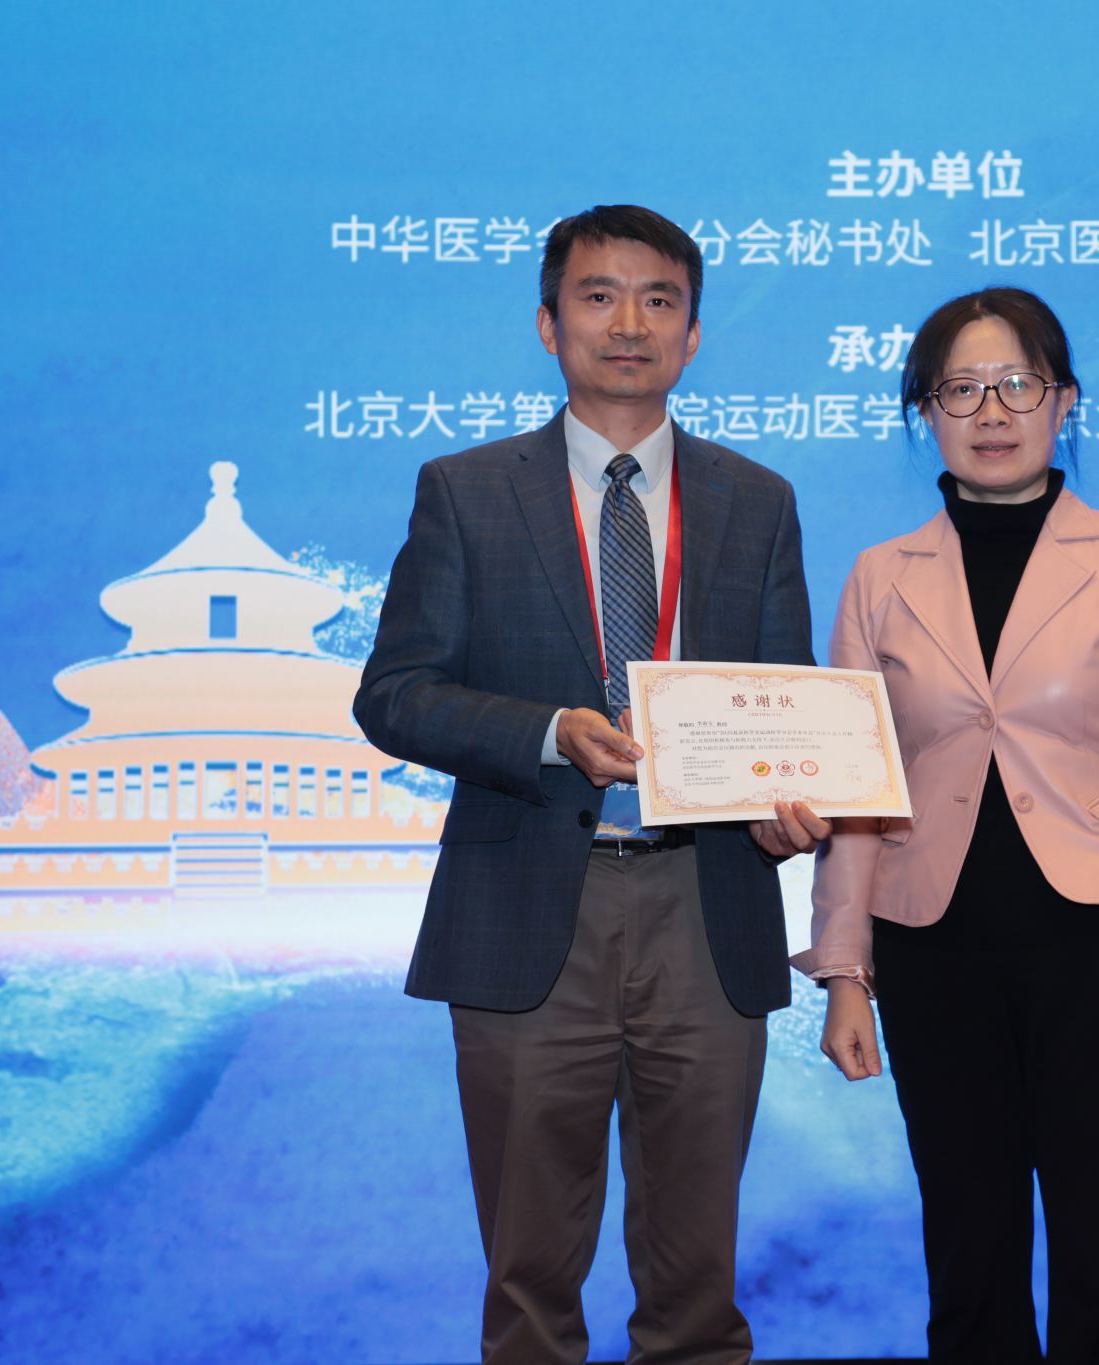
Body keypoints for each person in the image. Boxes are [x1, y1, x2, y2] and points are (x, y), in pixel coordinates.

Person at [355, 204, 829, 1365]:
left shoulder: (756, 501)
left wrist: (786, 812)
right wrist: (548, 733)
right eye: (598, 296)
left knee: (696, 1281)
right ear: (548, 323)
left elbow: (783, 702)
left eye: (658, 300)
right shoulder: (466, 491)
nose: (629, 324)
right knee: (528, 1278)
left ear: (693, 334)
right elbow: (395, 694)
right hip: (527, 906)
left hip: (705, 906)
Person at [793, 286, 1099, 1363]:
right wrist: (844, 972)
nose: (991, 411)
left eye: (1017, 384)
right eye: (959, 389)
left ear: (1065, 401)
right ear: (925, 412)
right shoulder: (879, 576)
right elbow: (858, 788)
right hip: (933, 951)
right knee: (968, 1251)